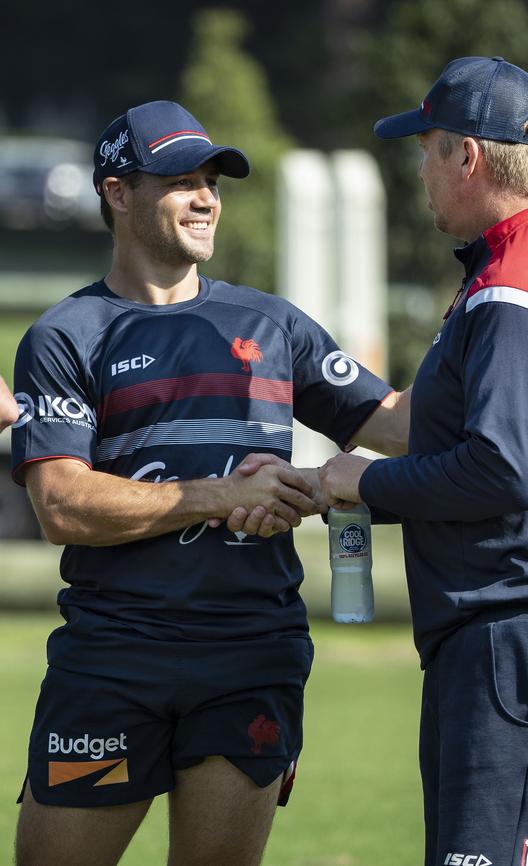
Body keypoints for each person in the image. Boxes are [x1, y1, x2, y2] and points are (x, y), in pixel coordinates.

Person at [10, 99, 409, 866]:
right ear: (117, 193)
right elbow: (61, 505)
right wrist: (222, 495)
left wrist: (490, 328)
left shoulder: (273, 325)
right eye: (180, 181)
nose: (205, 198)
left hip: (251, 655)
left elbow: (396, 426)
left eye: (211, 182)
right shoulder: (65, 336)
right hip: (113, 660)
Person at [320, 56, 528, 866]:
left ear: (467, 156)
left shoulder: (521, 274)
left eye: (427, 149)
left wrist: (362, 483)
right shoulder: (517, 262)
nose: (420, 172)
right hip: (515, 636)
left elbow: (506, 470)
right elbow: (447, 434)